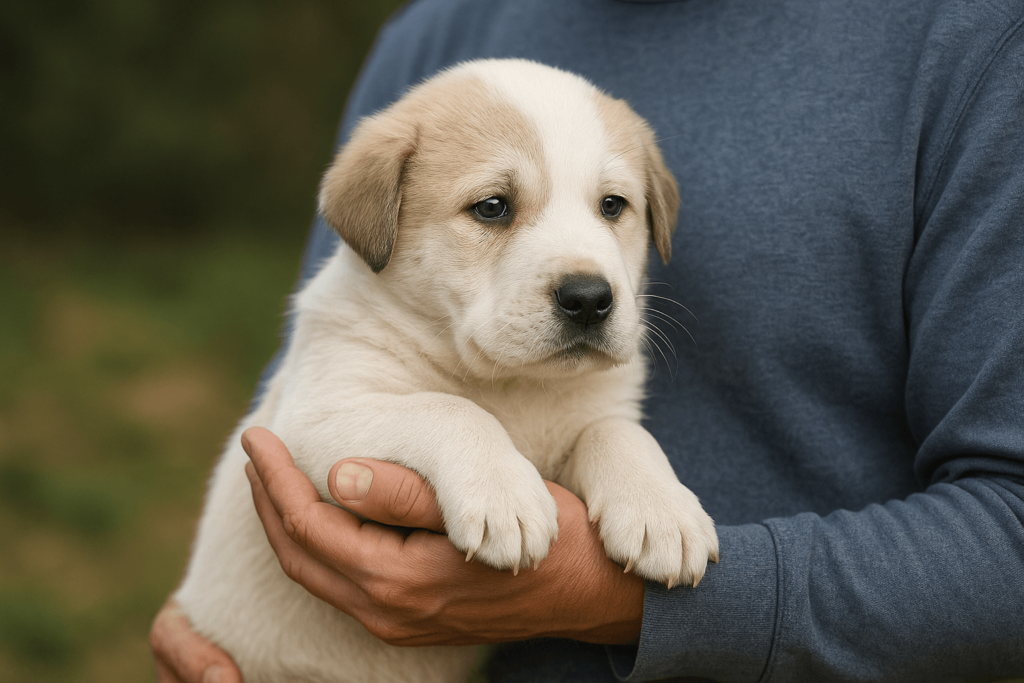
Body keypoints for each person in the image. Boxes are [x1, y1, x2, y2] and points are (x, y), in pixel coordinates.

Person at [150, 0, 1024, 680]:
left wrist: (635, 580)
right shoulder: (439, 32)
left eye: (613, 207)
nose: (586, 273)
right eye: (494, 208)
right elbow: (305, 412)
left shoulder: (973, 44)